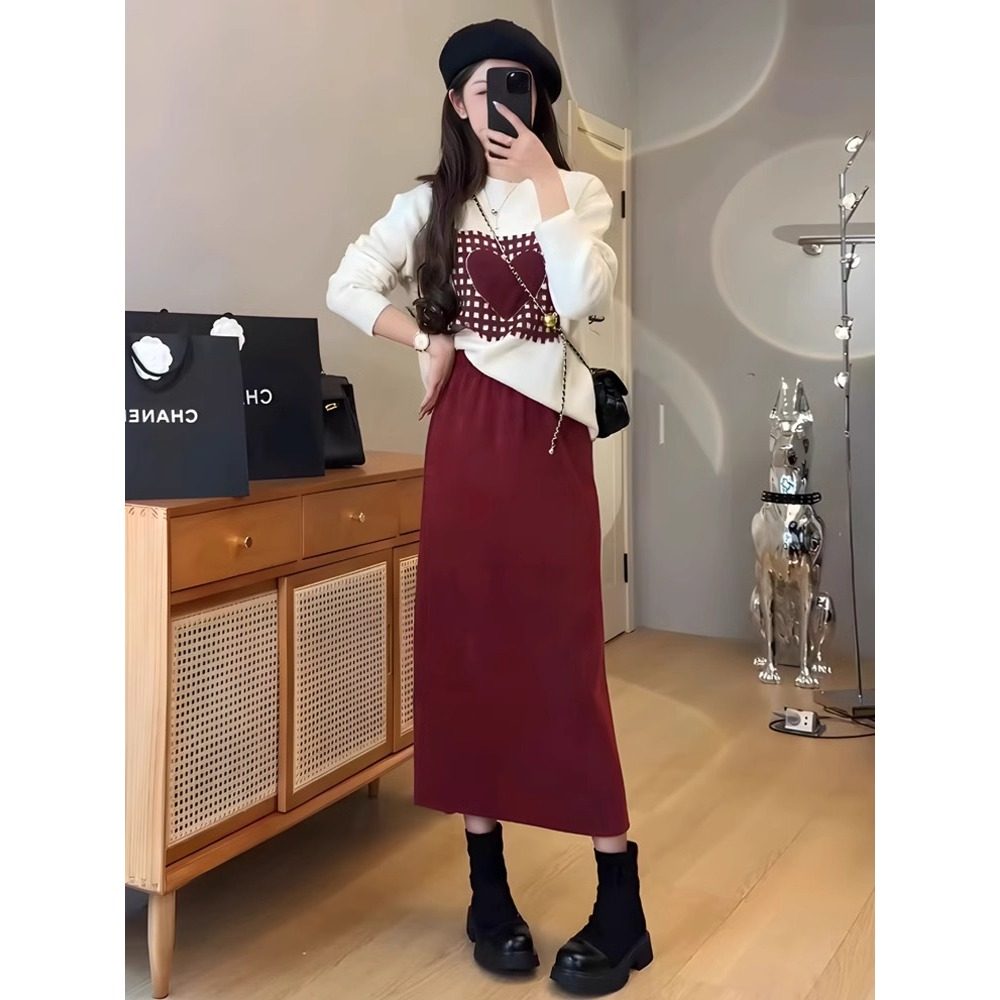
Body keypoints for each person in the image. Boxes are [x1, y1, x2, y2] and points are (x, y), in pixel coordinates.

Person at [326, 17, 652, 996]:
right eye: (481, 86)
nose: (500, 101)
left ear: (536, 99)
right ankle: (488, 891)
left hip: (547, 443)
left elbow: (580, 295)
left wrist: (546, 180)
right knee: (466, 651)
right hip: (465, 439)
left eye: (518, 84)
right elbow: (348, 283)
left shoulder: (578, 193)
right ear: (455, 104)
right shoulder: (429, 204)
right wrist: (425, 338)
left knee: (562, 657)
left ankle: (620, 903)